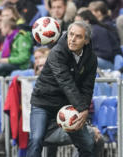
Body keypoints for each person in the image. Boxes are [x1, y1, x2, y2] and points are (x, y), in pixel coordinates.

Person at [27, 20, 97, 157]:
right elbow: (66, 82)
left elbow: (88, 87)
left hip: (67, 105)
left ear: (86, 40)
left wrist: (84, 109)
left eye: (78, 36)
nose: (73, 39)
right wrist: (82, 108)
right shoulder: (57, 52)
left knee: (88, 143)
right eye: (71, 34)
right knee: (36, 140)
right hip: (43, 102)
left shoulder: (91, 59)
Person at [0, 18, 32, 93]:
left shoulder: (21, 37)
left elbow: (24, 57)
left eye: (2, 28)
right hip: (11, 64)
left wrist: (7, 60)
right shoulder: (7, 39)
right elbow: (1, 54)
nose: (1, 30)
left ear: (7, 27)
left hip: (21, 65)